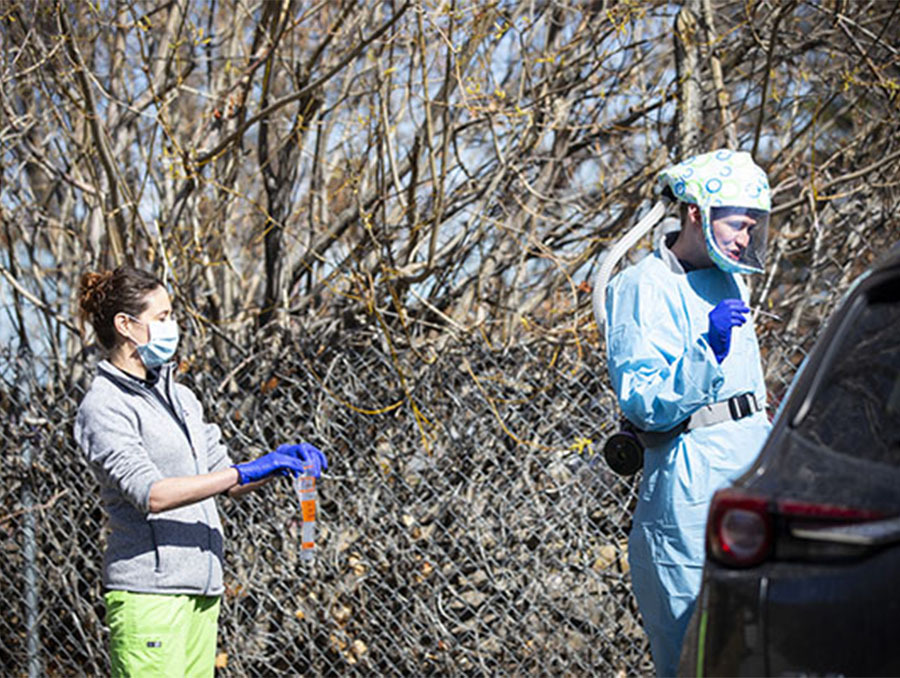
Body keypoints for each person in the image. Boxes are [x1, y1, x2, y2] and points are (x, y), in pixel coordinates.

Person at [74, 266, 328, 677]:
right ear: (126, 325)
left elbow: (224, 478)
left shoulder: (184, 398)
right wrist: (243, 473)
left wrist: (275, 465)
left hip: (202, 591)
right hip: (151, 598)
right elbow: (152, 493)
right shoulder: (104, 406)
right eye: (162, 318)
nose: (172, 327)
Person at [604, 149, 773, 676]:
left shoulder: (730, 280)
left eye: (753, 227)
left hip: (752, 473)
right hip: (688, 487)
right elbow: (643, 401)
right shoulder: (642, 285)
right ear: (697, 213)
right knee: (692, 650)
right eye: (738, 225)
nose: (745, 239)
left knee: (758, 647)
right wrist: (707, 349)